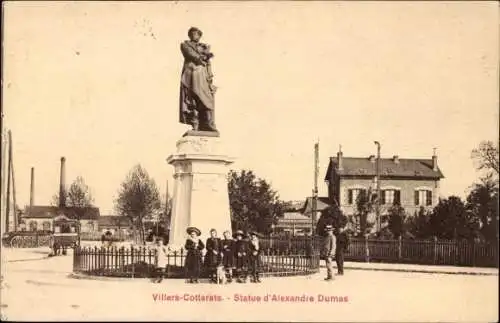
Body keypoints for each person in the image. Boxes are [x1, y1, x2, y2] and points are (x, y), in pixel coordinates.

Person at [179, 27, 217, 132]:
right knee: (192, 98)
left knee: (207, 98)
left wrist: (210, 78)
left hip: (203, 75)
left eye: (197, 34)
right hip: (191, 74)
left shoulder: (204, 47)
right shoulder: (185, 45)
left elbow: (208, 64)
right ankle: (195, 123)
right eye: (192, 34)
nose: (195, 35)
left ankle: (207, 123)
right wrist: (204, 56)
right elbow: (191, 55)